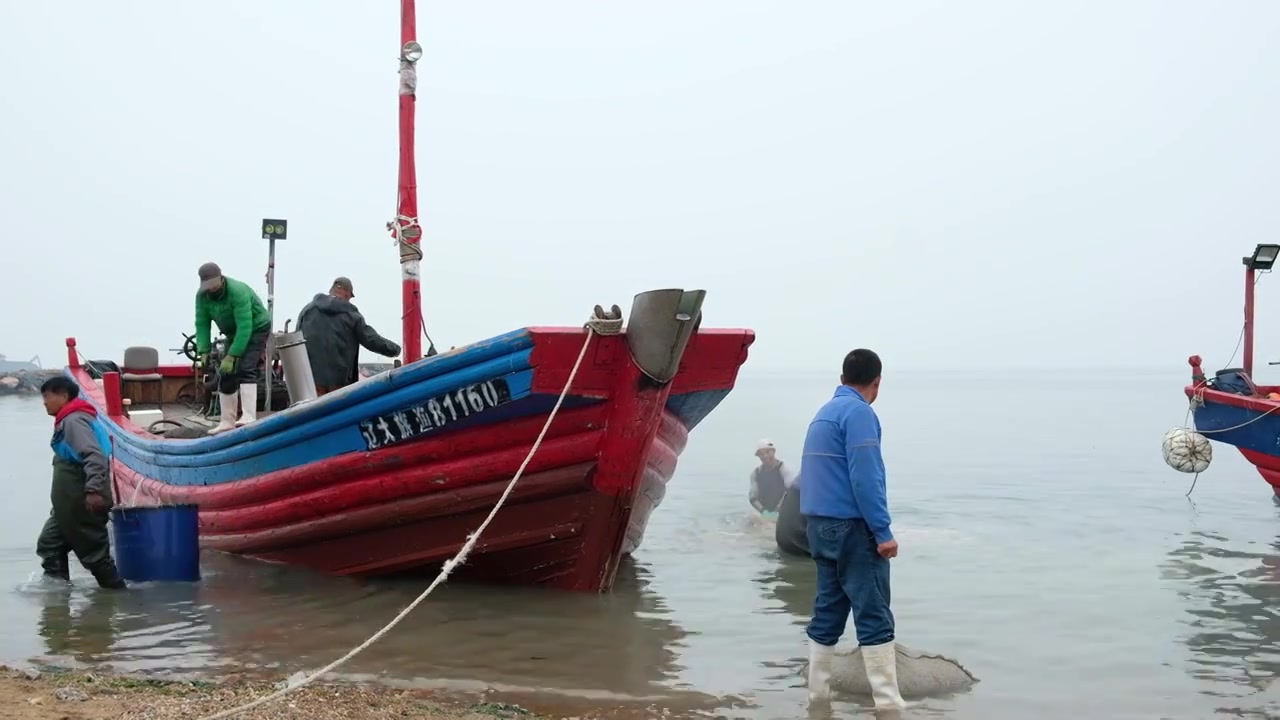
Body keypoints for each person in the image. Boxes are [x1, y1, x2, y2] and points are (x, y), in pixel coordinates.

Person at [799, 348, 904, 710]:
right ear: (877, 382)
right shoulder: (860, 413)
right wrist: (883, 531)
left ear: (842, 378)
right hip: (852, 528)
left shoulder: (824, 413)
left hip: (818, 526)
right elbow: (866, 477)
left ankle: (817, 701)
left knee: (827, 610)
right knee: (873, 613)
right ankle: (889, 707)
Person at [35, 376, 126, 589]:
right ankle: (57, 598)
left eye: (47, 396)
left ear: (63, 396)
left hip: (81, 500)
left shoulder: (74, 420)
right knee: (50, 543)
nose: (44, 402)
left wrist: (93, 490)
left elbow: (94, 456)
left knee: (94, 554)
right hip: (66, 505)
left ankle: (118, 599)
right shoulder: (69, 419)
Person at [195, 262, 272, 433]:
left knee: (246, 367)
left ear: (221, 279)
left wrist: (233, 355)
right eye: (208, 286)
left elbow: (245, 326)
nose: (212, 289)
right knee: (226, 372)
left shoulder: (238, 291)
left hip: (256, 327)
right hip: (233, 333)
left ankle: (249, 417)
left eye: (214, 284)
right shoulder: (202, 297)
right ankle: (226, 421)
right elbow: (202, 324)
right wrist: (204, 350)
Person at [296, 277, 401, 395]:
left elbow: (296, 342)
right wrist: (395, 350)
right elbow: (370, 339)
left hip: (310, 381)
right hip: (340, 382)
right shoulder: (351, 314)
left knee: (314, 412)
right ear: (347, 294)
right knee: (338, 411)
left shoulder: (307, 310)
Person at [749, 440, 797, 513]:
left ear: (774, 451)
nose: (765, 456)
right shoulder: (755, 474)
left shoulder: (784, 469)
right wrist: (763, 511)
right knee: (749, 518)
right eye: (761, 454)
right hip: (764, 511)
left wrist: (777, 510)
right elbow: (753, 498)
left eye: (768, 452)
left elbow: (790, 493)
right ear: (758, 456)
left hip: (784, 511)